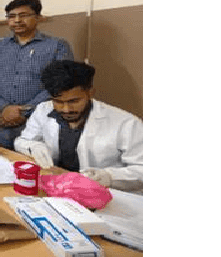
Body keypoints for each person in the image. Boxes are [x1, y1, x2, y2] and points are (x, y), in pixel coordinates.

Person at [13, 60, 143, 191]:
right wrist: (34, 147)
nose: (66, 109)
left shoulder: (127, 123)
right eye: (58, 101)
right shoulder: (43, 109)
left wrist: (109, 176)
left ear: (90, 93)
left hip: (105, 194)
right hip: (57, 186)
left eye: (74, 101)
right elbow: (21, 141)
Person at [0, 0, 74, 147]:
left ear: (38, 17)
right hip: (1, 119)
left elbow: (60, 83)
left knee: (37, 158)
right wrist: (3, 107)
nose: (17, 20)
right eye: (12, 16)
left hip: (39, 119)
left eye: (23, 15)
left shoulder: (57, 46)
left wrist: (25, 111)